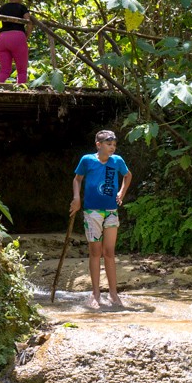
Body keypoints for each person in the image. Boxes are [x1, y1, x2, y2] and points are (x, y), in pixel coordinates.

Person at [70, 130, 133, 309]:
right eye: (108, 144)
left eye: (114, 145)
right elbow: (77, 179)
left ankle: (113, 293)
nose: (112, 147)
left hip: (111, 211)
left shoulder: (117, 161)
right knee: (95, 252)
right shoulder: (87, 160)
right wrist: (77, 198)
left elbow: (128, 175)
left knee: (110, 252)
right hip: (92, 212)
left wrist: (122, 192)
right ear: (98, 145)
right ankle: (95, 293)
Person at [0, 0, 32, 84]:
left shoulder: (2, 8)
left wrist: (1, 32)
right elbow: (29, 24)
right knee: (21, 71)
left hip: (2, 39)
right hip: (18, 38)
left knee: (4, 70)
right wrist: (26, 36)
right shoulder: (22, 8)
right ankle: (21, 92)